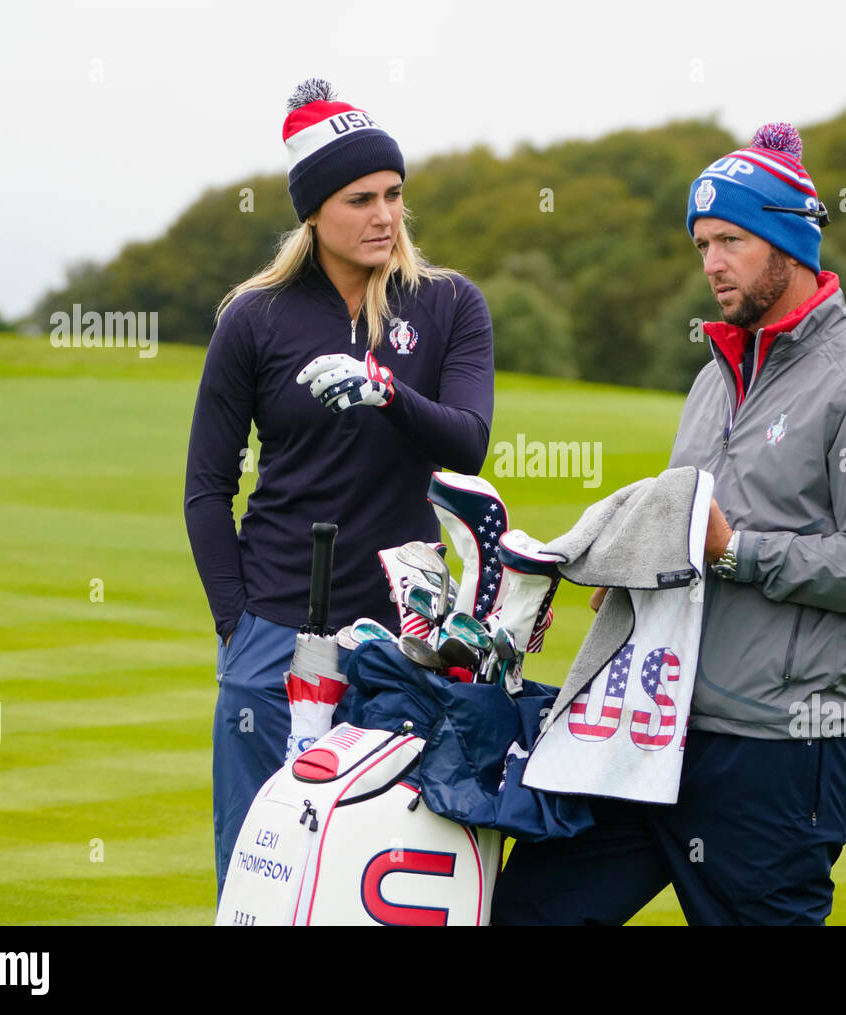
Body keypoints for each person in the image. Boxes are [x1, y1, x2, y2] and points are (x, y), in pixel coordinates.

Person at [492, 122, 846, 925]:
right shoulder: (711, 380)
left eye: (730, 239)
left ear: (788, 242)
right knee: (525, 910)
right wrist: (630, 579)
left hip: (778, 749)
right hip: (652, 727)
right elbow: (685, 531)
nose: (712, 264)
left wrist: (739, 554)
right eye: (701, 244)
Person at [184, 78, 495, 901]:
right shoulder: (254, 318)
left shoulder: (450, 304)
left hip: (405, 638)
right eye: (360, 198)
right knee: (262, 879)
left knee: (379, 877)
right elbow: (207, 490)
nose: (385, 216)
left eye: (395, 194)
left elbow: (469, 439)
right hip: (275, 632)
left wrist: (386, 391)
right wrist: (237, 627)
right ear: (315, 211)